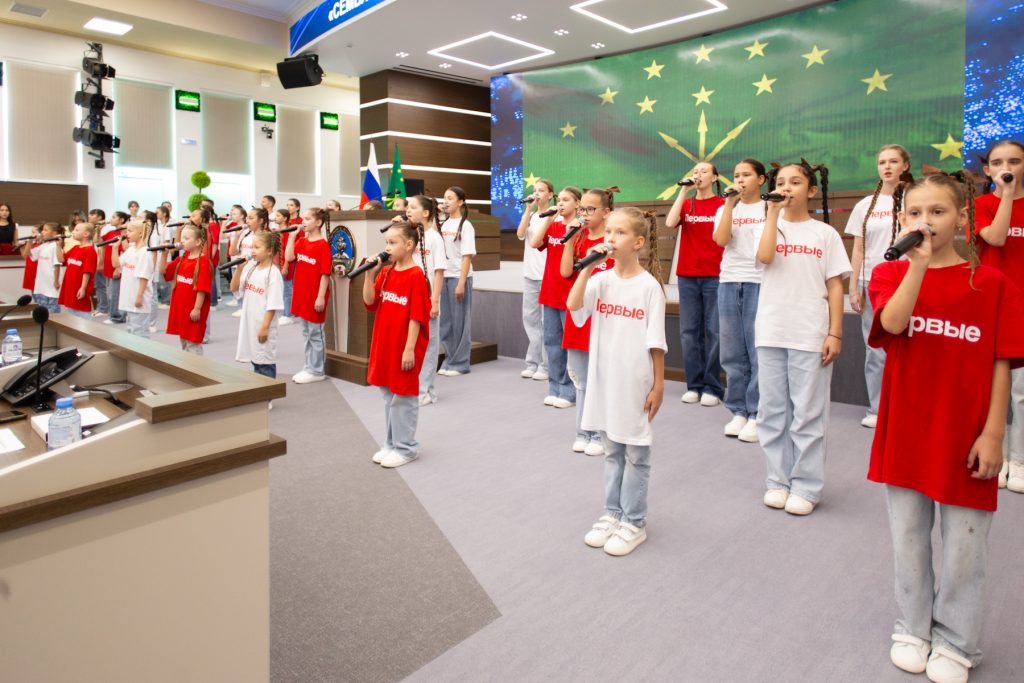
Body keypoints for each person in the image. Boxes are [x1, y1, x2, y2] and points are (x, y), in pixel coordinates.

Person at [867, 171, 1024, 683]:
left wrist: (994, 434)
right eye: (915, 213)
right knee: (908, 537)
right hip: (906, 431)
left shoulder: (992, 284)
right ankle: (913, 627)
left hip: (966, 436)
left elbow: (1001, 361)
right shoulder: (889, 273)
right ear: (902, 219)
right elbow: (893, 324)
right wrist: (916, 267)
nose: (926, 222)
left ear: (962, 217)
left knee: (965, 546)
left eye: (937, 212)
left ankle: (958, 640)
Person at [568, 207, 667, 556]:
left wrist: (658, 385)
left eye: (619, 232)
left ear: (638, 242)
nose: (610, 238)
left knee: (636, 452)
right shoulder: (600, 280)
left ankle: (634, 522)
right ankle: (612, 513)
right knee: (612, 451)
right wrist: (588, 268)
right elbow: (574, 306)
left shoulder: (649, 287)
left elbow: (656, 343)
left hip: (635, 382)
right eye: (608, 231)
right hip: (606, 381)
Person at [755, 162, 850, 516]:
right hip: (771, 331)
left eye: (795, 182)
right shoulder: (768, 227)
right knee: (772, 412)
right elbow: (765, 257)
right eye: (781, 182)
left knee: (808, 414)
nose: (786, 187)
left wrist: (835, 332)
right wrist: (772, 214)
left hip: (810, 332)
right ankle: (778, 480)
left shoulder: (824, 234)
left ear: (811, 191)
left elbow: (835, 285)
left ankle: (807, 485)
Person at [846, 145, 912, 429]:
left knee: (909, 346)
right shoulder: (865, 205)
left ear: (905, 166)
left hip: (908, 280)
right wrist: (853, 286)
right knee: (875, 348)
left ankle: (907, 407)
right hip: (872, 281)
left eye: (893, 161)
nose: (887, 167)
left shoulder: (914, 199)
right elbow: (859, 249)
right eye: (882, 162)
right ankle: (877, 408)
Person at [974, 139, 1024, 493]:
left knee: (1021, 391)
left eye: (1015, 161)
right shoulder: (979, 205)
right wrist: (1006, 196)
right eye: (998, 162)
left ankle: (1018, 459)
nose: (1007, 168)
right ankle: (992, 451)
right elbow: (996, 238)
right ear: (987, 169)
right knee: (990, 387)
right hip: (991, 306)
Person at [362, 221, 431, 468]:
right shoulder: (387, 272)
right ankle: (391, 443)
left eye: (393, 243)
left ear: (409, 245)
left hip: (405, 347)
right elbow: (370, 302)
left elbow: (417, 316)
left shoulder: (415, 275)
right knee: (389, 395)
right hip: (385, 343)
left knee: (403, 396)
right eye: (386, 243)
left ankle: (406, 448)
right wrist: (369, 275)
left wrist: (409, 349)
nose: (387, 248)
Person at [713, 159, 768, 443]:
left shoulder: (770, 208)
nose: (740, 180)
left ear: (761, 179)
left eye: (747, 175)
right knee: (732, 351)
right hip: (729, 281)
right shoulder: (728, 208)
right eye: (736, 176)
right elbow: (721, 240)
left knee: (756, 349)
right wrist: (728, 205)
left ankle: (758, 412)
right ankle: (738, 410)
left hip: (761, 282)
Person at [561, 187, 616, 456]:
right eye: (582, 208)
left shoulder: (612, 242)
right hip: (579, 316)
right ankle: (583, 432)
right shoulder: (579, 238)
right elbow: (565, 273)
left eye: (590, 209)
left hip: (604, 318)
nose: (584, 213)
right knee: (581, 380)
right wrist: (569, 239)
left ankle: (599, 433)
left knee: (601, 378)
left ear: (606, 212)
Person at [667, 162, 726, 407]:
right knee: (689, 332)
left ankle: (713, 386)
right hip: (687, 275)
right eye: (695, 171)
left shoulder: (722, 205)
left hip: (715, 275)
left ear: (714, 177)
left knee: (715, 331)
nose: (698, 175)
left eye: (703, 171)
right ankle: (694, 385)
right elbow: (670, 223)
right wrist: (683, 191)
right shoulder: (687, 203)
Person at [530, 187, 579, 408]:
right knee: (552, 343)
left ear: (578, 204)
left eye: (567, 200)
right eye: (560, 200)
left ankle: (569, 391)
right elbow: (534, 243)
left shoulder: (579, 229)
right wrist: (550, 218)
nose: (561, 203)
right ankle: (555, 387)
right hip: (550, 292)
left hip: (570, 295)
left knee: (569, 345)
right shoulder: (554, 226)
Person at [285, 207, 332, 384]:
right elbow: (289, 257)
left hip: (314, 296)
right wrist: (291, 237)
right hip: (301, 294)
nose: (303, 222)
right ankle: (309, 366)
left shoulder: (323, 246)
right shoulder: (302, 242)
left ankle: (317, 370)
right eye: (303, 219)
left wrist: (320, 297)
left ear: (318, 222)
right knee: (306, 333)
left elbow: (325, 273)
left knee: (315, 333)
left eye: (307, 219)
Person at [406, 195, 445, 406]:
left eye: (413, 207)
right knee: (412, 343)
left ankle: (425, 390)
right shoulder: (409, 235)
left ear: (426, 212)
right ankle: (416, 387)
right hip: (409, 297)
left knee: (429, 345)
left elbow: (438, 271)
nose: (408, 210)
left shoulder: (434, 238)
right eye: (408, 207)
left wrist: (435, 300)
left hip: (428, 298)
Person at [231, 231, 284, 380]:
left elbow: (273, 304)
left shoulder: (273, 274)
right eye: (252, 247)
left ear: (269, 251)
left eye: (257, 247)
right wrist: (239, 269)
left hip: (263, 325)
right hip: (250, 325)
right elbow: (234, 288)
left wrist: (265, 327)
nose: (252, 251)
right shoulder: (252, 269)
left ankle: (269, 393)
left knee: (265, 363)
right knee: (256, 361)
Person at [516, 180, 553, 381]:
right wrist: (528, 209)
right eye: (534, 190)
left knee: (547, 322)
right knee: (530, 320)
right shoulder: (530, 215)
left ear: (550, 195)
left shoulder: (554, 217)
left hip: (547, 276)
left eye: (541, 191)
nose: (536, 194)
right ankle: (533, 362)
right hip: (530, 275)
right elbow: (520, 234)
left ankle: (546, 366)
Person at [437, 186, 476, 376]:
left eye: (450, 198)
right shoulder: (443, 224)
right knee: (446, 322)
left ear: (460, 202)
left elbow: (467, 256)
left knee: (460, 322)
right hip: (444, 277)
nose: (446, 201)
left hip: (459, 277)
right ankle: (449, 359)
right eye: (445, 197)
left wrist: (461, 283)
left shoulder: (465, 225)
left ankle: (460, 363)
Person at [159, 224, 212, 355]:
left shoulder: (203, 262)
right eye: (182, 238)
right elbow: (163, 271)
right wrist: (164, 255)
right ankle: (187, 366)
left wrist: (197, 308)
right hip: (181, 309)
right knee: (184, 342)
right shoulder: (181, 258)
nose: (182, 241)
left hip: (193, 310)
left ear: (198, 242)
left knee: (193, 344)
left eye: (187, 238)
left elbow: (202, 289)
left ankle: (196, 367)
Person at [112, 221, 155, 338]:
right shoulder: (131, 250)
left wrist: (139, 296)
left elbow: (144, 276)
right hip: (129, 298)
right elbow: (116, 264)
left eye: (130, 231)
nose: (127, 234)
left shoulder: (145, 252)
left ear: (140, 233)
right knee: (131, 331)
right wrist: (114, 248)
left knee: (139, 333)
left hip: (138, 300)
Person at [57, 222, 96, 320]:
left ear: (86, 234)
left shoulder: (89, 250)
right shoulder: (75, 248)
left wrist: (83, 288)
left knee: (82, 314)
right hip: (70, 287)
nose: (73, 232)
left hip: (79, 287)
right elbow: (61, 259)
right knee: (71, 314)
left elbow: (87, 271)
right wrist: (58, 246)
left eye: (77, 230)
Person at [101, 211, 129, 325]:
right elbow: (98, 241)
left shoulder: (125, 234)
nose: (111, 219)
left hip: (117, 269)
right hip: (108, 268)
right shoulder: (110, 233)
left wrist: (118, 269)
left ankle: (118, 317)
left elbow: (125, 252)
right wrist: (98, 228)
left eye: (114, 217)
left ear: (121, 220)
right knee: (110, 294)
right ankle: (113, 315)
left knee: (115, 294)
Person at [29, 222, 63, 314]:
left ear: (54, 233)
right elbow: (30, 254)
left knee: (52, 309)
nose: (42, 232)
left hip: (51, 284)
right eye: (42, 230)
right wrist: (29, 241)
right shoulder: (44, 245)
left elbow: (57, 264)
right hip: (41, 284)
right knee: (43, 309)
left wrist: (56, 281)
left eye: (45, 230)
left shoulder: (55, 246)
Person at [273, 208, 296, 326]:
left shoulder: (288, 232)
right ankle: (282, 313)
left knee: (287, 289)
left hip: (285, 264)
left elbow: (288, 251)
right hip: (277, 263)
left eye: (278, 216)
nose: (275, 218)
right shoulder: (277, 231)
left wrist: (285, 266)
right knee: (280, 289)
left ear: (285, 218)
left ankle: (288, 315)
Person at [88, 208, 109, 317]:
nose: (89, 216)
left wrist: (100, 262)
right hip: (95, 258)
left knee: (101, 285)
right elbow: (95, 241)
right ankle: (101, 307)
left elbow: (101, 244)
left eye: (92, 215)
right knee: (98, 285)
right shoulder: (95, 228)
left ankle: (103, 308)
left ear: (100, 217)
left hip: (101, 259)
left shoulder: (105, 228)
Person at [20, 223, 41, 294]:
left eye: (34, 232)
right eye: (32, 232)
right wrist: (22, 248)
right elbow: (25, 257)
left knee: (38, 293)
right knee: (33, 293)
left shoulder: (41, 245)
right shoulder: (33, 244)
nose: (32, 234)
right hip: (30, 272)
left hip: (37, 272)